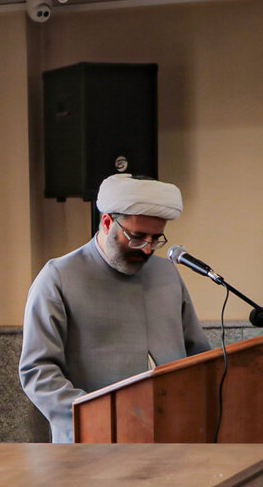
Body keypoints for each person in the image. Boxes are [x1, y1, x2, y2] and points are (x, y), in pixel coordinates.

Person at [18, 173, 210, 442]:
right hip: (93, 444)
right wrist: (98, 416)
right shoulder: (58, 277)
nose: (147, 249)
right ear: (108, 222)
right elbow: (38, 372)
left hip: (171, 437)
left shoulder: (166, 273)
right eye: (137, 237)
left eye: (156, 239)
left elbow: (198, 356)